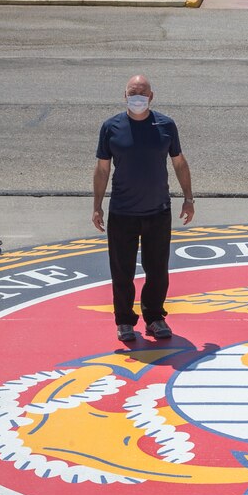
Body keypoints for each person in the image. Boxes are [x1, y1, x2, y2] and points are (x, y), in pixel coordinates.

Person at [93, 75, 194, 342]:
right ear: (124, 95)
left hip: (157, 211)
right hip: (122, 212)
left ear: (151, 96)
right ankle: (124, 321)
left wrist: (188, 198)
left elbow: (179, 162)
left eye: (142, 92)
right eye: (132, 92)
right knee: (122, 271)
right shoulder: (110, 127)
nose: (137, 97)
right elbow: (102, 169)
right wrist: (97, 206)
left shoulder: (166, 125)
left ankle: (154, 317)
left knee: (158, 270)